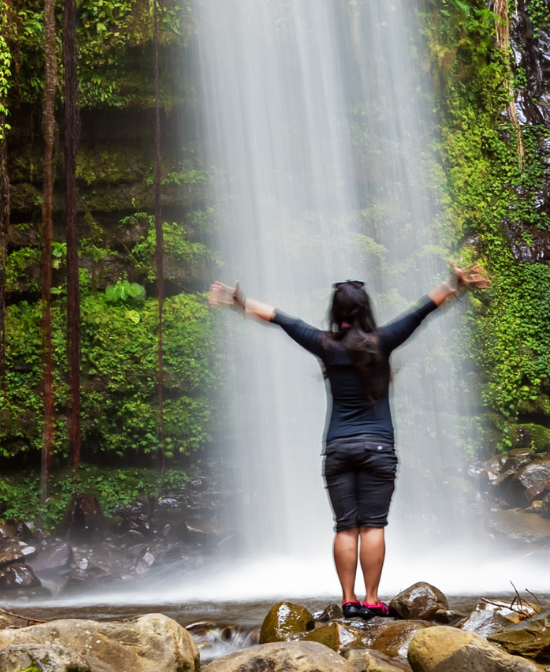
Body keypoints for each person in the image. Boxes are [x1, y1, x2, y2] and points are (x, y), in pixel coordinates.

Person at [209, 263, 491, 618]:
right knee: (373, 524)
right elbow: (422, 310)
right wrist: (455, 284)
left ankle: (349, 600)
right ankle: (373, 599)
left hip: (339, 448)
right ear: (366, 310)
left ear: (336, 312)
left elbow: (281, 319)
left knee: (346, 527)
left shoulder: (324, 344)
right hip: (378, 447)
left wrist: (240, 302)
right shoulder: (383, 341)